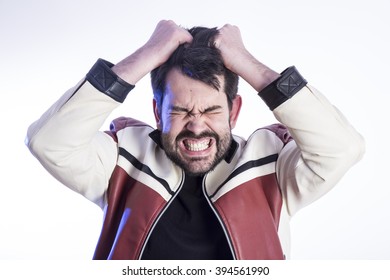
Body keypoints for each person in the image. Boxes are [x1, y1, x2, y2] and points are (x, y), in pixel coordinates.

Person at [26, 20, 365, 260]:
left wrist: (248, 64)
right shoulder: (121, 158)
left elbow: (342, 148)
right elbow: (49, 141)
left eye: (211, 110)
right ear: (157, 112)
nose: (197, 126)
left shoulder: (273, 164)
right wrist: (147, 54)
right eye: (180, 111)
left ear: (234, 111)